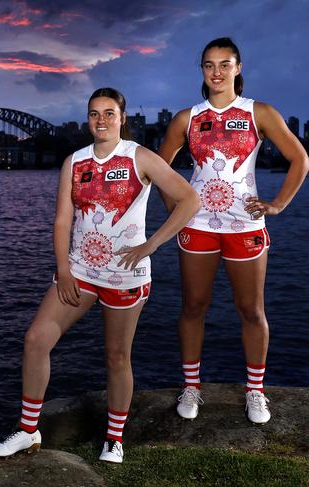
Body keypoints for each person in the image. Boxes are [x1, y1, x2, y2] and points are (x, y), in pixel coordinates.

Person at [0, 87, 200, 464]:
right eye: (94, 114)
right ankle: (28, 431)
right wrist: (63, 269)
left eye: (109, 113)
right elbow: (62, 220)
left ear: (122, 118)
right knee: (36, 339)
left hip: (124, 276)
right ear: (88, 119)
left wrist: (151, 246)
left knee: (117, 357)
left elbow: (189, 199)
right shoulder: (75, 161)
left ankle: (114, 440)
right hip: (80, 271)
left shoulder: (140, 157)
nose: (101, 120)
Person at [158, 37, 309, 423]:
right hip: (199, 226)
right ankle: (191, 386)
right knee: (193, 307)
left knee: (251, 309)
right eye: (209, 65)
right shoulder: (187, 118)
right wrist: (175, 210)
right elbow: (160, 170)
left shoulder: (259, 112)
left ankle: (255, 391)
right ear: (202, 71)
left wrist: (277, 204)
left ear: (238, 69)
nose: (217, 72)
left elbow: (300, 159)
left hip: (245, 225)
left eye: (225, 64)